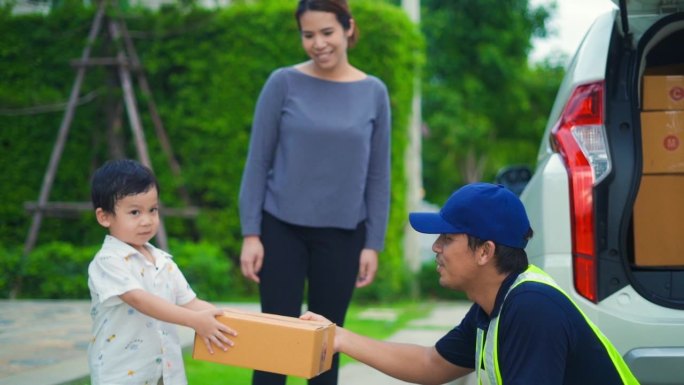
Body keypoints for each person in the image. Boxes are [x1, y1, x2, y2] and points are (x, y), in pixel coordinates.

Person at [302, 183, 640, 385]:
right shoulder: (495, 304)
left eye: (447, 238)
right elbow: (431, 364)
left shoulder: (532, 309)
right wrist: (339, 337)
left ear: (485, 251)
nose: (436, 247)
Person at [237, 0, 391, 384]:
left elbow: (378, 174)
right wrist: (251, 234)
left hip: (343, 233)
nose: (318, 43)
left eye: (327, 32)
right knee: (274, 347)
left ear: (348, 29)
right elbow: (257, 162)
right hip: (280, 229)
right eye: (308, 35)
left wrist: (372, 243)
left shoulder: (374, 92)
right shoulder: (282, 83)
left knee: (326, 349)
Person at [87, 159, 237, 385]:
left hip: (165, 374)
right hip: (122, 375)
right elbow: (139, 300)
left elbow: (192, 303)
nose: (147, 220)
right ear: (104, 217)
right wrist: (195, 321)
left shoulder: (162, 260)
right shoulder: (108, 261)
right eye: (135, 212)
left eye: (153, 210)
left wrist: (237, 322)